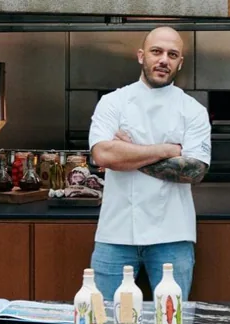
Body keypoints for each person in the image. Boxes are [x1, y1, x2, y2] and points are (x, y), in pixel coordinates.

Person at [88, 26, 211, 301]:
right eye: (157, 52)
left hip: (173, 235)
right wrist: (167, 150)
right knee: (105, 321)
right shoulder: (113, 103)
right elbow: (102, 155)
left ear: (180, 63)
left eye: (172, 54)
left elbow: (195, 170)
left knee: (170, 323)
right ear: (141, 56)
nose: (164, 60)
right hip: (115, 233)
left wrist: (127, 153)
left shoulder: (192, 110)